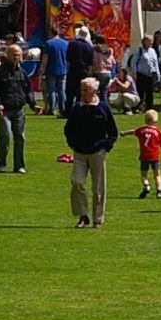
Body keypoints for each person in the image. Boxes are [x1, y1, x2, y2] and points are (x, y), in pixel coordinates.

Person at [63, 77, 118, 228]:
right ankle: (82, 216)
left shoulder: (103, 108)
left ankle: (97, 219)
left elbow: (113, 131)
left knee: (98, 188)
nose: (82, 93)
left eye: (85, 90)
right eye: (81, 89)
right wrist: (72, 144)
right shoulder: (77, 108)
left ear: (94, 91)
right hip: (79, 152)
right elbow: (68, 129)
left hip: (97, 152)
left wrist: (107, 146)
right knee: (77, 182)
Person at [0, 41, 31, 174]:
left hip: (19, 109)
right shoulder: (0, 72)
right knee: (5, 136)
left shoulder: (22, 72)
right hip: (5, 110)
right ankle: (1, 163)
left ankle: (19, 165)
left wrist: (33, 104)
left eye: (19, 55)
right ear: (7, 55)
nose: (17, 57)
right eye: (14, 55)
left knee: (20, 137)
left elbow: (27, 89)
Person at [134, 108, 161, 198]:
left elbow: (133, 131)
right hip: (155, 157)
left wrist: (124, 133)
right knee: (157, 175)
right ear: (156, 121)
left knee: (143, 175)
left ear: (145, 120)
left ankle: (146, 186)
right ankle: (159, 192)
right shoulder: (158, 132)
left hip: (144, 157)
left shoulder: (141, 130)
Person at [129, 35, 161, 116]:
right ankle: (136, 107)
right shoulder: (139, 51)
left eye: (151, 41)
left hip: (151, 74)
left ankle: (149, 109)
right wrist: (134, 73)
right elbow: (133, 63)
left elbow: (155, 63)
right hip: (141, 74)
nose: (151, 42)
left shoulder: (153, 51)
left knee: (150, 93)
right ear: (144, 42)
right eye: (149, 41)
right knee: (140, 92)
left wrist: (158, 73)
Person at [41, 25, 70, 116]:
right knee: (62, 91)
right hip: (62, 69)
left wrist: (43, 68)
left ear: (51, 32)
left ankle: (52, 109)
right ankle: (63, 109)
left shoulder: (49, 43)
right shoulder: (65, 43)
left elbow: (45, 57)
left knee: (52, 90)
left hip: (51, 69)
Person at [64, 26, 95, 104]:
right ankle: (78, 108)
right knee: (80, 93)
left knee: (70, 92)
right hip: (84, 72)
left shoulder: (72, 43)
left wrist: (67, 70)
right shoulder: (89, 46)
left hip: (73, 70)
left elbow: (68, 59)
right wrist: (89, 73)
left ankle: (67, 110)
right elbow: (90, 62)